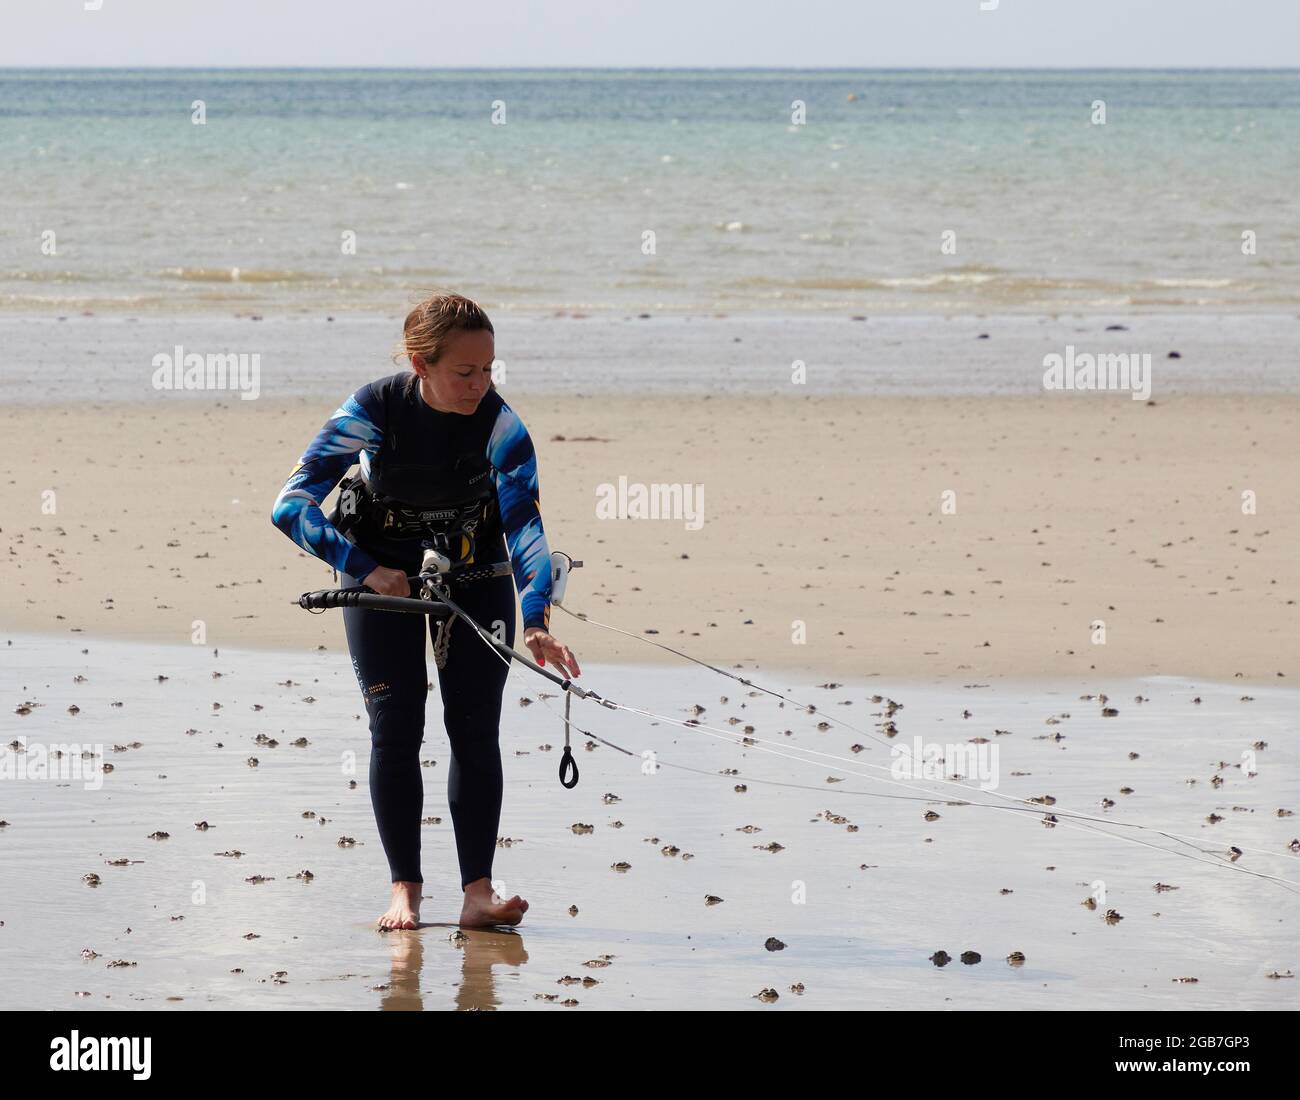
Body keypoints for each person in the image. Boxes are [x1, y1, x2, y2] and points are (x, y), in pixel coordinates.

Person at [271, 291, 580, 930]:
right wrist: (369, 570)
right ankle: (404, 892)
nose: (480, 385)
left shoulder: (502, 427)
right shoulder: (374, 411)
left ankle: (477, 895)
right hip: (380, 576)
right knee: (396, 727)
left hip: (475, 572)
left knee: (473, 729)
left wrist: (538, 622)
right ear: (421, 363)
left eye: (489, 369)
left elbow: (524, 529)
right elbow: (290, 506)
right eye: (464, 372)